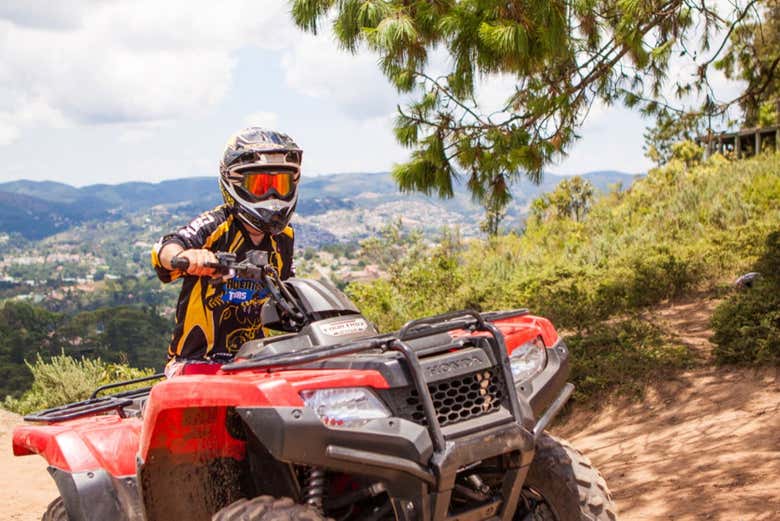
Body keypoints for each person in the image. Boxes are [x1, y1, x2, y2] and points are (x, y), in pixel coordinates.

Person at [151, 127, 301, 375]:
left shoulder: (284, 237)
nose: (272, 195)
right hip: (197, 362)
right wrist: (187, 257)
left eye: (280, 184)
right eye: (261, 184)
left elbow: (289, 292)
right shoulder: (216, 226)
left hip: (253, 361)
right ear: (235, 183)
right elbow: (165, 249)